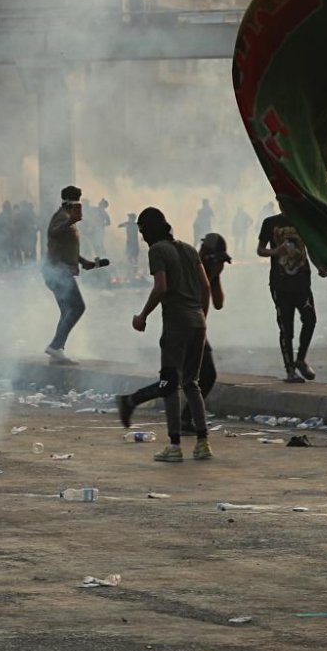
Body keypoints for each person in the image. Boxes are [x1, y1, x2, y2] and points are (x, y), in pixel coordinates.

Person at [115, 208, 212, 463]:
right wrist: (202, 317)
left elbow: (161, 288)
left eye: (143, 231)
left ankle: (175, 445)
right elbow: (206, 286)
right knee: (192, 383)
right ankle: (203, 444)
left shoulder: (157, 251)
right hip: (197, 323)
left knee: (169, 384)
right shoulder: (189, 249)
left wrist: (142, 315)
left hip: (177, 323)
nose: (143, 236)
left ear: (149, 230)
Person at [43, 186, 107, 365]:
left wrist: (84, 262)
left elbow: (64, 246)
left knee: (66, 310)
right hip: (57, 271)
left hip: (57, 270)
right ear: (74, 202)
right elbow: (54, 232)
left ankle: (58, 350)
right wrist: (70, 221)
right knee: (77, 307)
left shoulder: (65, 218)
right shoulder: (61, 217)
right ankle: (55, 346)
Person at [257, 208, 321, 383]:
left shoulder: (303, 221)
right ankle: (290, 370)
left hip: (302, 283)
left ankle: (300, 359)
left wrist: (320, 266)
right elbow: (260, 250)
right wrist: (277, 251)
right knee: (286, 329)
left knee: (310, 319)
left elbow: (312, 247)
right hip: (281, 284)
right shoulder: (270, 223)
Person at [198, 232, 230, 403]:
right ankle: (131, 400)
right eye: (220, 262)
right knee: (207, 376)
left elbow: (218, 304)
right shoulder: (194, 274)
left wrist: (215, 277)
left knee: (203, 377)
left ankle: (187, 419)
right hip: (186, 329)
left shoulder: (209, 277)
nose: (221, 267)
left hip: (196, 331)